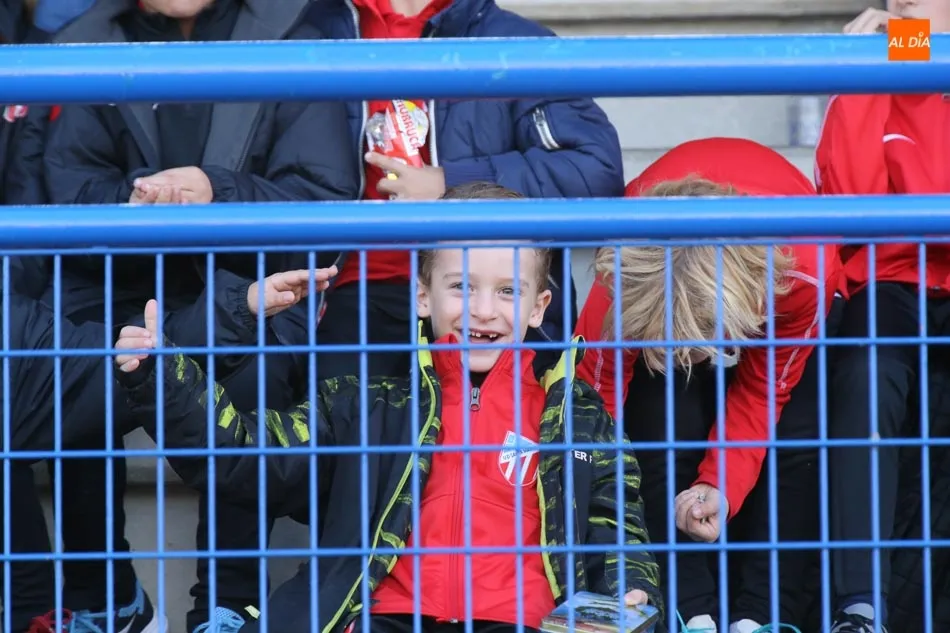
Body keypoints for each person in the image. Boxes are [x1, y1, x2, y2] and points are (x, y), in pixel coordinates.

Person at [113, 182, 663, 633]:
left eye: (506, 291)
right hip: (388, 616)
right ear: (423, 296)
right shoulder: (368, 404)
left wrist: (626, 597)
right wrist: (166, 380)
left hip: (523, 620)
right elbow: (248, 457)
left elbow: (617, 534)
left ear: (539, 307)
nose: (483, 310)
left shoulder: (574, 415)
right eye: (461, 286)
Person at [41, 0, 361, 628]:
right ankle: (102, 598)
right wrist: (138, 204)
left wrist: (218, 191)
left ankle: (228, 603)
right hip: (120, 282)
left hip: (252, 285)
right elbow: (67, 194)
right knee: (76, 364)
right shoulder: (86, 44)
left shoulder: (290, 38)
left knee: (251, 374)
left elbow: (320, 201)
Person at [574, 138, 844, 633]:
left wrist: (719, 483)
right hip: (655, 283)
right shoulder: (621, 276)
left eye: (699, 344)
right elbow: (595, 409)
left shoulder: (806, 272)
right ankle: (690, 608)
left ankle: (762, 615)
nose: (690, 360)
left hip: (777, 277)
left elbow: (763, 392)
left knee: (799, 430)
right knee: (657, 420)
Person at [302, 0, 624, 384]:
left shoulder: (514, 42)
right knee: (338, 409)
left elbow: (593, 171)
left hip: (486, 295)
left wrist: (449, 184)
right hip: (346, 295)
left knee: (491, 413)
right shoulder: (311, 30)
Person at [814, 3, 950, 631]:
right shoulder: (894, 56)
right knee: (867, 375)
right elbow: (848, 199)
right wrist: (867, 71)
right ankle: (860, 606)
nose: (903, 2)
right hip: (894, 280)